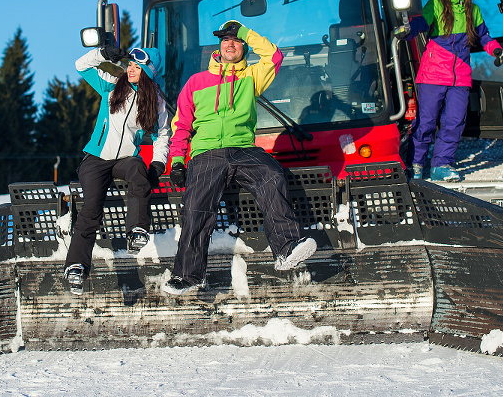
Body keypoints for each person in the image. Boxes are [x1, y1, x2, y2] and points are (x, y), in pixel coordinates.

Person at [161, 20, 318, 296]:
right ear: (218, 47)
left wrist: (244, 31)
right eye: (225, 40)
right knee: (196, 206)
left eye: (235, 41)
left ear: (243, 46)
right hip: (206, 152)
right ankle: (188, 276)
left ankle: (286, 248)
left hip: (243, 148)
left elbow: (274, 56)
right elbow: (181, 125)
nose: (230, 44)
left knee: (272, 175)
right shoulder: (196, 82)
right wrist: (176, 161)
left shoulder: (252, 77)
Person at [63, 45, 170, 295]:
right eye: (130, 65)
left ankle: (137, 230)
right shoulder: (112, 86)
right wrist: (102, 54)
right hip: (96, 159)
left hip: (125, 159)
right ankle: (76, 266)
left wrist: (158, 163)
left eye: (137, 67)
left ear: (148, 73)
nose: (131, 69)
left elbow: (162, 134)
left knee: (139, 172)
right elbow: (81, 66)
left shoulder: (155, 101)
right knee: (91, 209)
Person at [399, 0, 503, 182]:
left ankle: (441, 165)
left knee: (454, 121)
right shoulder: (436, 5)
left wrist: (495, 50)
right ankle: (416, 164)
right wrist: (410, 28)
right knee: (426, 121)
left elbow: (484, 36)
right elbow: (421, 22)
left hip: (460, 76)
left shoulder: (473, 11)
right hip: (433, 74)